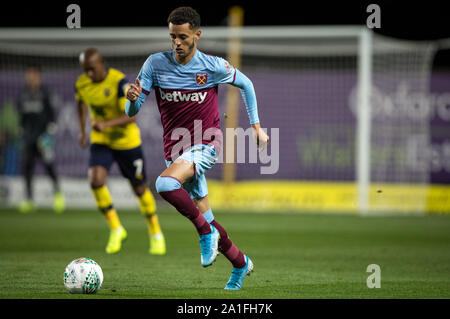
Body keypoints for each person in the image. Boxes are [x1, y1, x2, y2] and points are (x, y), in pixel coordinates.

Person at [125, 7, 269, 290]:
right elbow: (133, 109)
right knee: (208, 216)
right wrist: (130, 99)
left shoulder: (212, 66)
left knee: (165, 184)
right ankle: (240, 263)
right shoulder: (154, 64)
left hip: (206, 144)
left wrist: (256, 126)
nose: (176, 43)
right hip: (175, 151)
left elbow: (246, 84)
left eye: (182, 36)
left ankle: (204, 234)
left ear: (197, 35)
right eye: (172, 37)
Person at [75, 48, 166, 255]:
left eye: (92, 69)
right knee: (95, 181)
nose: (89, 74)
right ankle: (116, 228)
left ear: (102, 63)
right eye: (85, 70)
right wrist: (82, 131)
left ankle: (155, 233)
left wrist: (105, 125)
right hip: (102, 141)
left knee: (139, 188)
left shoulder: (118, 83)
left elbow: (131, 116)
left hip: (127, 143)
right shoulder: (81, 83)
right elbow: (80, 103)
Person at [17, 65, 65, 213]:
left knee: (48, 166)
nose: (30, 77)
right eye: (28, 75)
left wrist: (48, 133)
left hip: (43, 138)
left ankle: (58, 195)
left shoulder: (45, 93)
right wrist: (21, 129)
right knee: (27, 168)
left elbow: (52, 115)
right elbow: (22, 116)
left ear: (38, 76)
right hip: (29, 138)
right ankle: (29, 199)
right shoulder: (23, 95)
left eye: (33, 75)